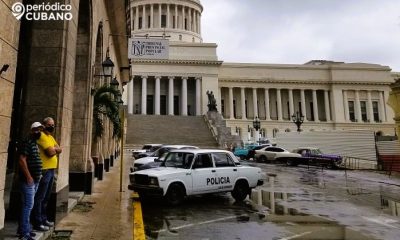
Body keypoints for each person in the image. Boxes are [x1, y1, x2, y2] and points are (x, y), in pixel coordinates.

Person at [32, 117, 62, 231]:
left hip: (51, 170)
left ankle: (44, 219)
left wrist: (56, 149)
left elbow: (60, 149)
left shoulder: (51, 137)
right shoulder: (42, 136)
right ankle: (37, 222)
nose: (52, 126)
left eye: (53, 124)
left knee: (46, 197)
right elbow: (50, 153)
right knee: (40, 197)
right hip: (44, 170)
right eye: (50, 124)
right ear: (44, 125)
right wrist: (55, 149)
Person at [17, 122, 43, 240]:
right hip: (28, 181)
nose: (39, 132)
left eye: (40, 130)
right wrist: (29, 177)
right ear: (31, 130)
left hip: (35, 179)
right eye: (36, 130)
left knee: (27, 205)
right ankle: (24, 234)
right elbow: (22, 160)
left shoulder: (34, 143)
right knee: (28, 205)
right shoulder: (27, 142)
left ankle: (24, 229)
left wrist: (39, 174)